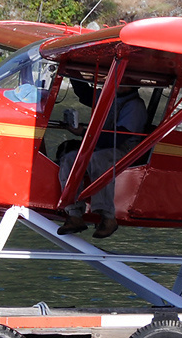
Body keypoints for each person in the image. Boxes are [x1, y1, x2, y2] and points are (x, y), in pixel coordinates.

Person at [57, 79, 146, 239]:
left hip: (125, 151)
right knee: (69, 158)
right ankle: (74, 213)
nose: (117, 82)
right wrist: (73, 73)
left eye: (122, 79)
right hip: (102, 146)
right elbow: (85, 94)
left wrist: (83, 132)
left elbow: (116, 139)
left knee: (99, 159)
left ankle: (108, 217)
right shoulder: (109, 97)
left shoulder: (135, 106)